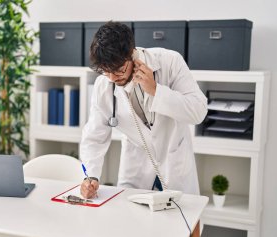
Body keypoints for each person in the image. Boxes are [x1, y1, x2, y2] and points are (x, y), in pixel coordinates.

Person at [80, 21, 207, 199]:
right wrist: (90, 176)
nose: (111, 78)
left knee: (183, 221)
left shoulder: (170, 62)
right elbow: (94, 136)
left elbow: (198, 111)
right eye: (105, 71)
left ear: (132, 54)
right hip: (136, 168)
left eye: (118, 70)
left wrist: (156, 90)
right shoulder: (104, 84)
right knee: (132, 222)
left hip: (175, 162)